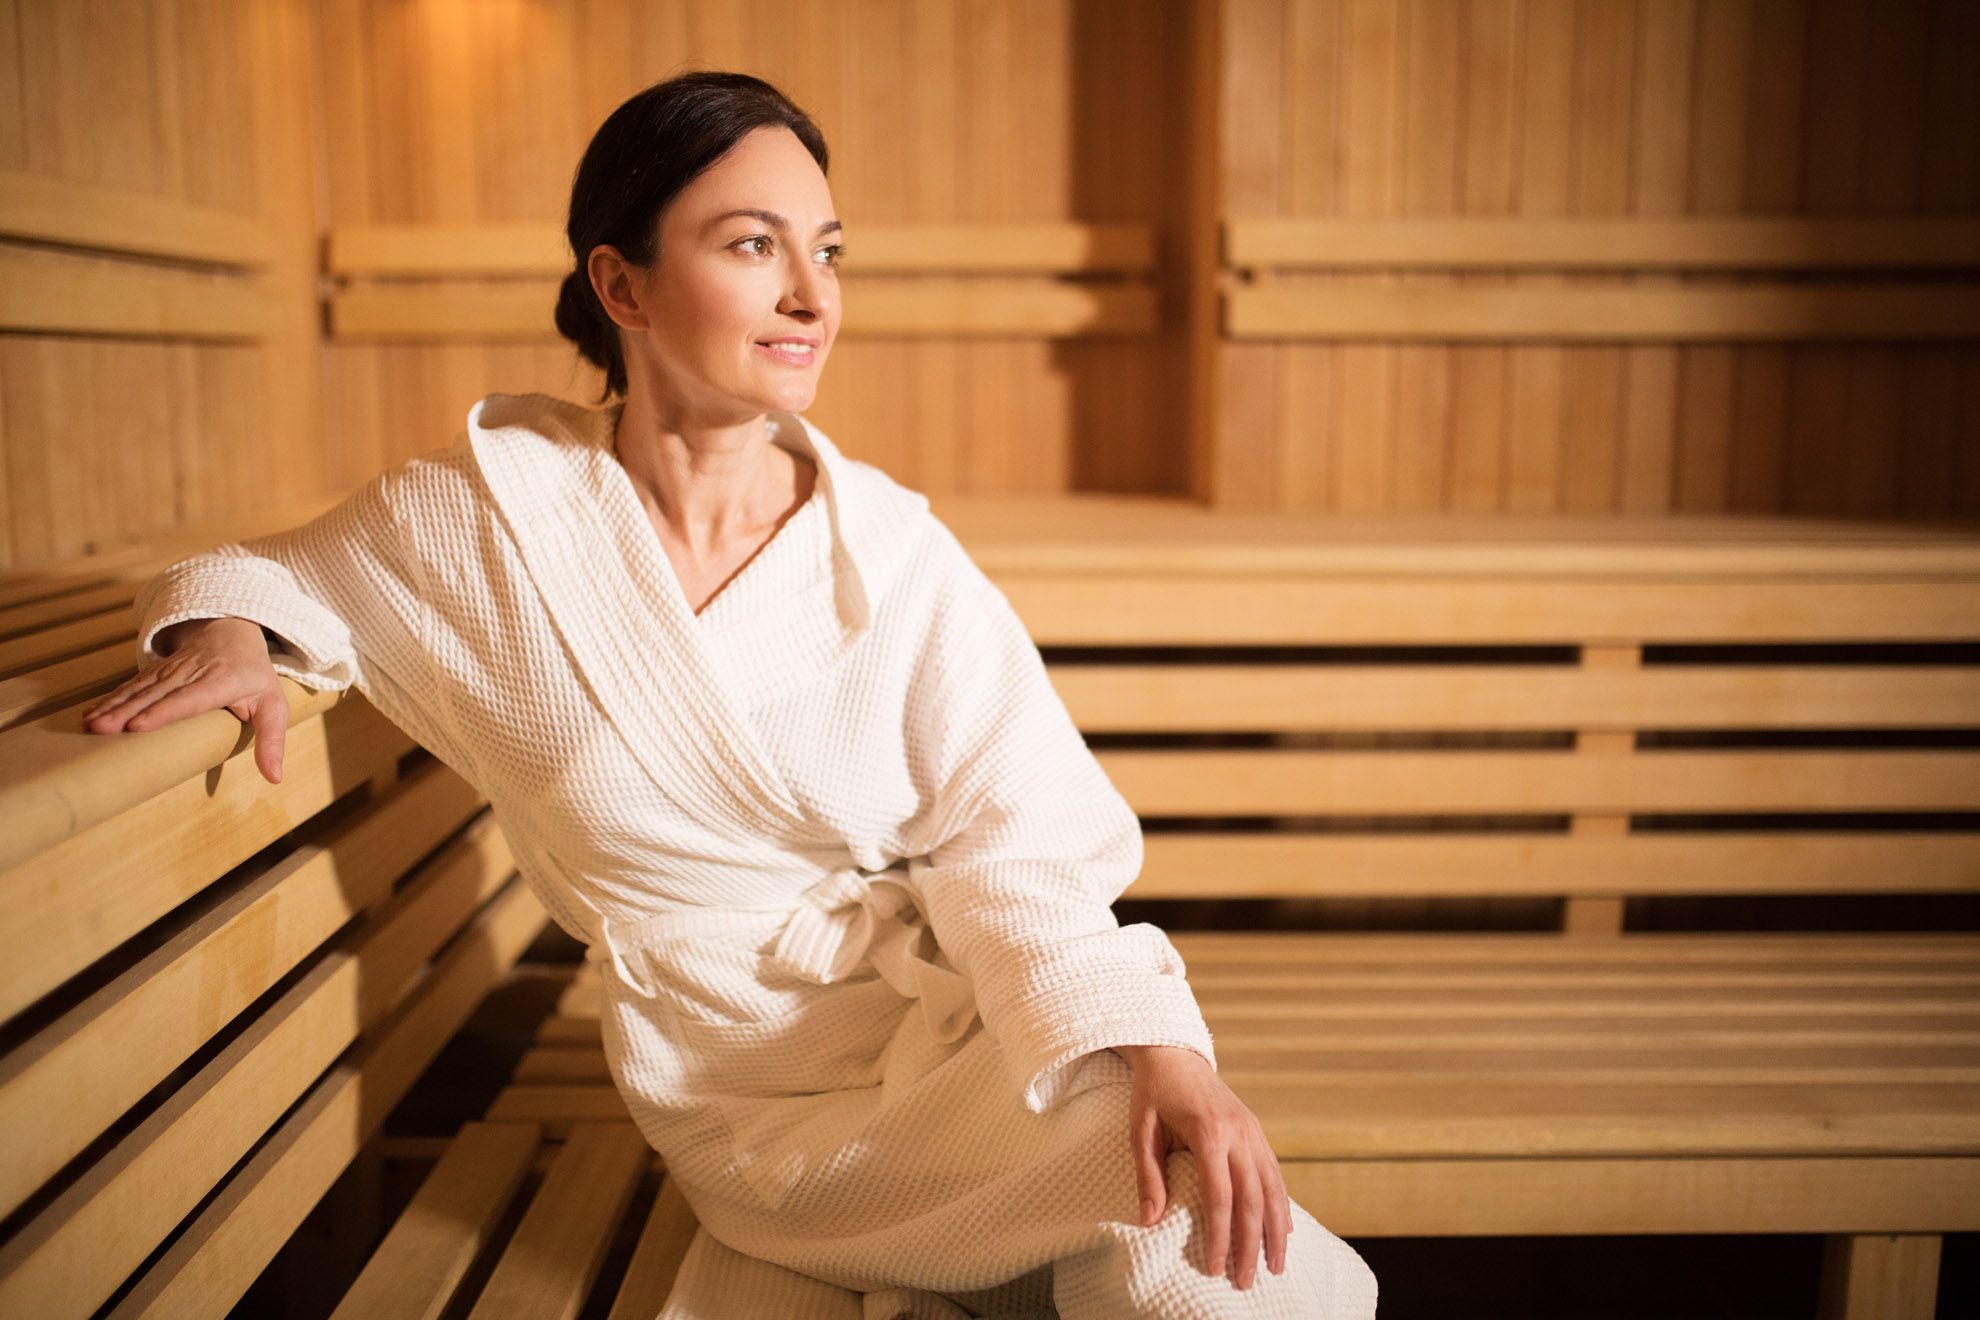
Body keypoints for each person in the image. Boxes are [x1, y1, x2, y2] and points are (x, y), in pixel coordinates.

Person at [81, 71, 1378, 1319]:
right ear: (622, 285)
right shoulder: (491, 518)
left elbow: (1017, 843)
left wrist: (1156, 1046)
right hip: (741, 1085)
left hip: (947, 1023)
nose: (812, 294)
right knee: (1155, 1205)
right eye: (755, 245)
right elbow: (258, 573)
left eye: (829, 250)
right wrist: (230, 636)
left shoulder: (892, 552)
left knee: (1183, 1198)